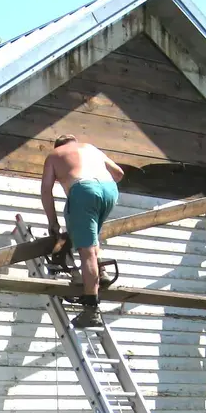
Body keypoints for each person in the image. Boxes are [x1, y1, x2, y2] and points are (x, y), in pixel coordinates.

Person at [41, 134, 125, 328]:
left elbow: (46, 190)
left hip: (84, 189)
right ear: (74, 142)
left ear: (58, 146)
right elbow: (119, 174)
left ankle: (91, 310)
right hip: (109, 189)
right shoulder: (90, 148)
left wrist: (53, 223)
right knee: (92, 235)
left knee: (86, 252)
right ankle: (101, 270)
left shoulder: (54, 155)